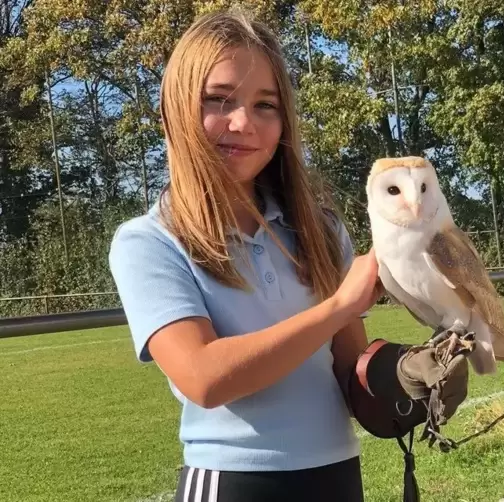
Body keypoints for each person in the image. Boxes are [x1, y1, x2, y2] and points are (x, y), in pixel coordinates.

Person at [108, 9, 468, 502]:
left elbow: (347, 369)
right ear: (176, 108)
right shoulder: (147, 241)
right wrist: (338, 306)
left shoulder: (319, 229)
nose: (243, 124)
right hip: (232, 484)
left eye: (265, 105)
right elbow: (204, 378)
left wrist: (401, 376)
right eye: (218, 100)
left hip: (338, 478)